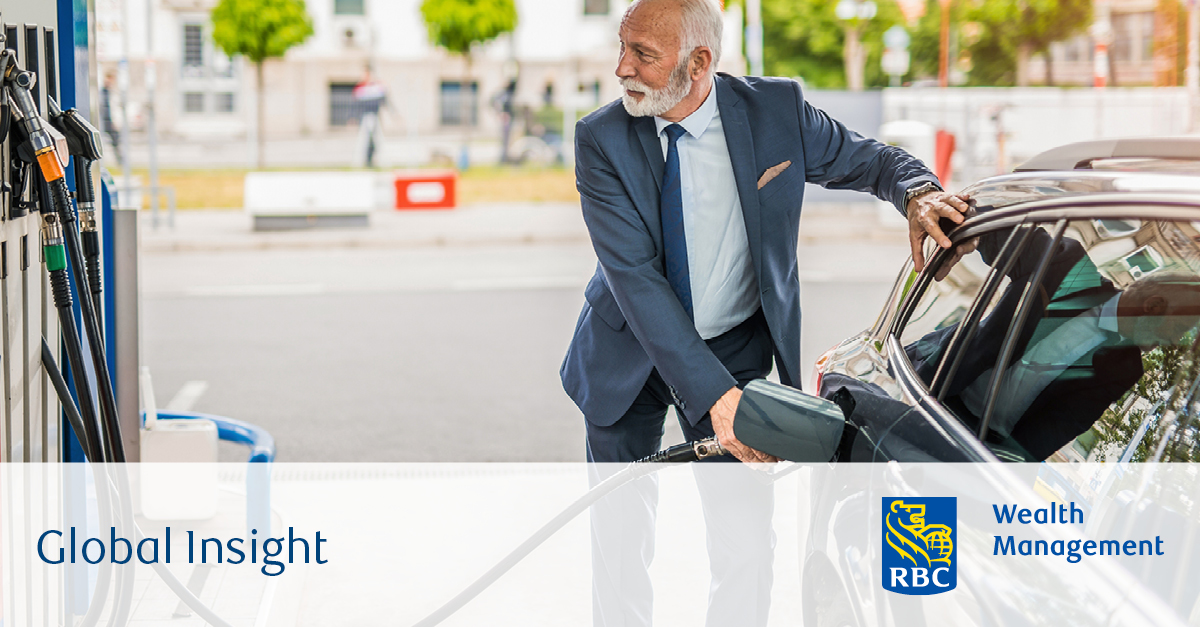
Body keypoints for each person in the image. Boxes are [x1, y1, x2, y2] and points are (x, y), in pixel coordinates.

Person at [558, 0, 970, 624]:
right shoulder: (602, 138)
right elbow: (635, 280)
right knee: (618, 544)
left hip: (735, 346)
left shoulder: (775, 112)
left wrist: (918, 192)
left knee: (745, 547)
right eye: (624, 47)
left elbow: (874, 161)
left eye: (643, 54)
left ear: (699, 63)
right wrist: (715, 398)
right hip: (628, 350)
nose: (622, 68)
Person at [352, 66, 387, 168]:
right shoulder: (360, 88)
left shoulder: (377, 87)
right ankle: (364, 160)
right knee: (364, 139)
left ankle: (375, 159)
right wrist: (353, 117)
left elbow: (384, 100)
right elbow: (355, 104)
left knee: (376, 139)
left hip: (375, 116)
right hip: (365, 117)